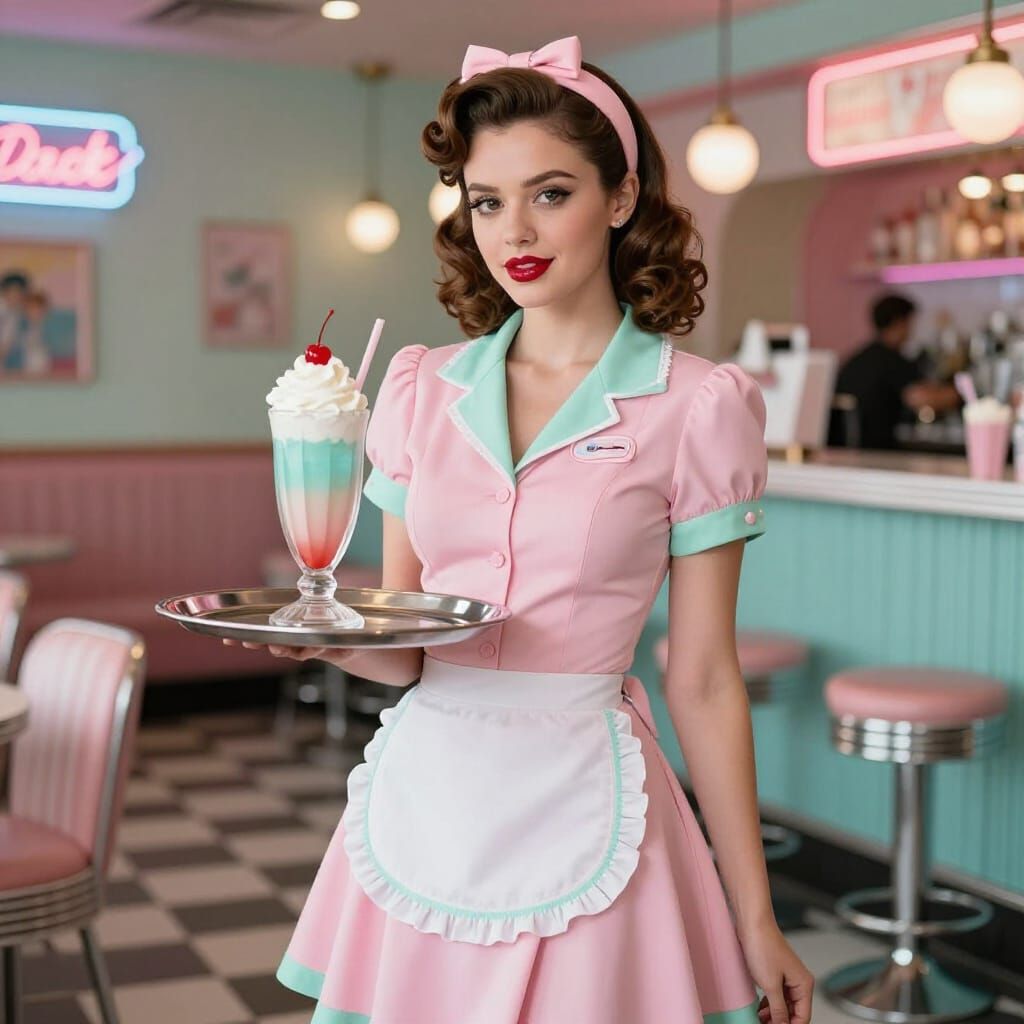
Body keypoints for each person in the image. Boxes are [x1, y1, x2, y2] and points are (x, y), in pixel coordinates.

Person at [228, 34, 812, 1024]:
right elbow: (404, 643)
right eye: (487, 199)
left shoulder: (698, 405)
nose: (513, 230)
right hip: (429, 796)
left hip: (593, 802)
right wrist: (312, 632)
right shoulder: (420, 388)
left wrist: (754, 914)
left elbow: (703, 675)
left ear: (619, 198)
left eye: (550, 192)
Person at [829, 293, 960, 450]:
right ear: (900, 323)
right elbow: (922, 398)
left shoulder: (856, 359)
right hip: (876, 451)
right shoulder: (892, 361)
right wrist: (957, 395)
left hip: (842, 449)